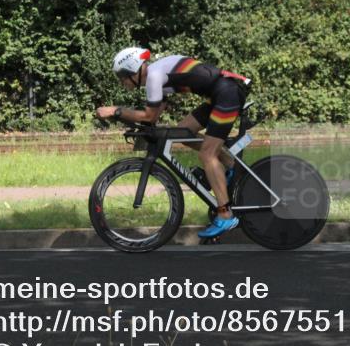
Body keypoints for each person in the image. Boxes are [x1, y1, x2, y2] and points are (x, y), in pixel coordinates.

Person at [95, 46, 251, 239]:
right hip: (221, 92)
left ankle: (225, 214)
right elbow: (153, 116)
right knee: (184, 132)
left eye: (123, 77)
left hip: (228, 92)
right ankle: (231, 167)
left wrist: (116, 111)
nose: (122, 82)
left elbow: (149, 115)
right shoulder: (155, 76)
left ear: (134, 70)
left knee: (207, 154)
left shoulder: (154, 76)